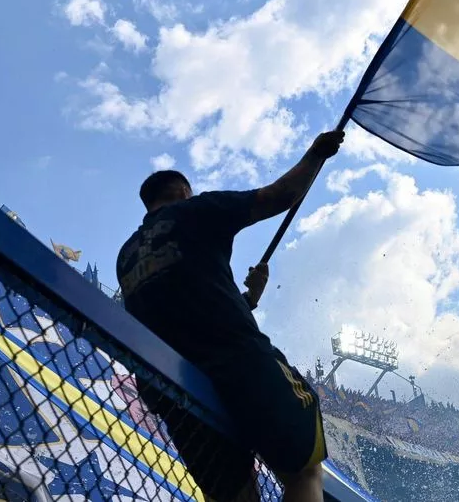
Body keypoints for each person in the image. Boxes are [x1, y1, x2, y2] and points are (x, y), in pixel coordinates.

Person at [116, 130, 344, 502]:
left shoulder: (126, 256)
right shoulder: (196, 210)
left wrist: (250, 298)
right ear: (183, 191)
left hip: (175, 390)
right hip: (238, 363)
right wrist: (316, 154)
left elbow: (181, 308)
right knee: (304, 470)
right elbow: (280, 196)